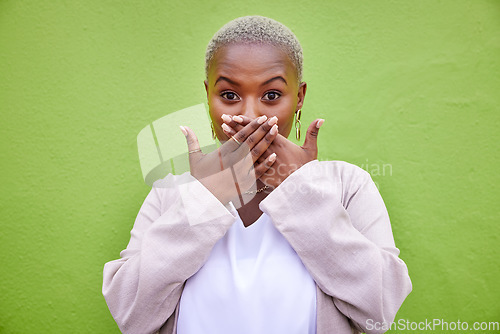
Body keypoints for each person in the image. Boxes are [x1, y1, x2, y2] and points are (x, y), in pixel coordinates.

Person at [102, 15, 412, 334]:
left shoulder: (347, 186)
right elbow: (132, 317)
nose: (250, 116)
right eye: (230, 96)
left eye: (272, 95)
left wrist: (301, 191)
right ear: (208, 96)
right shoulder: (172, 193)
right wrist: (205, 198)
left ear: (299, 97)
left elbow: (380, 310)